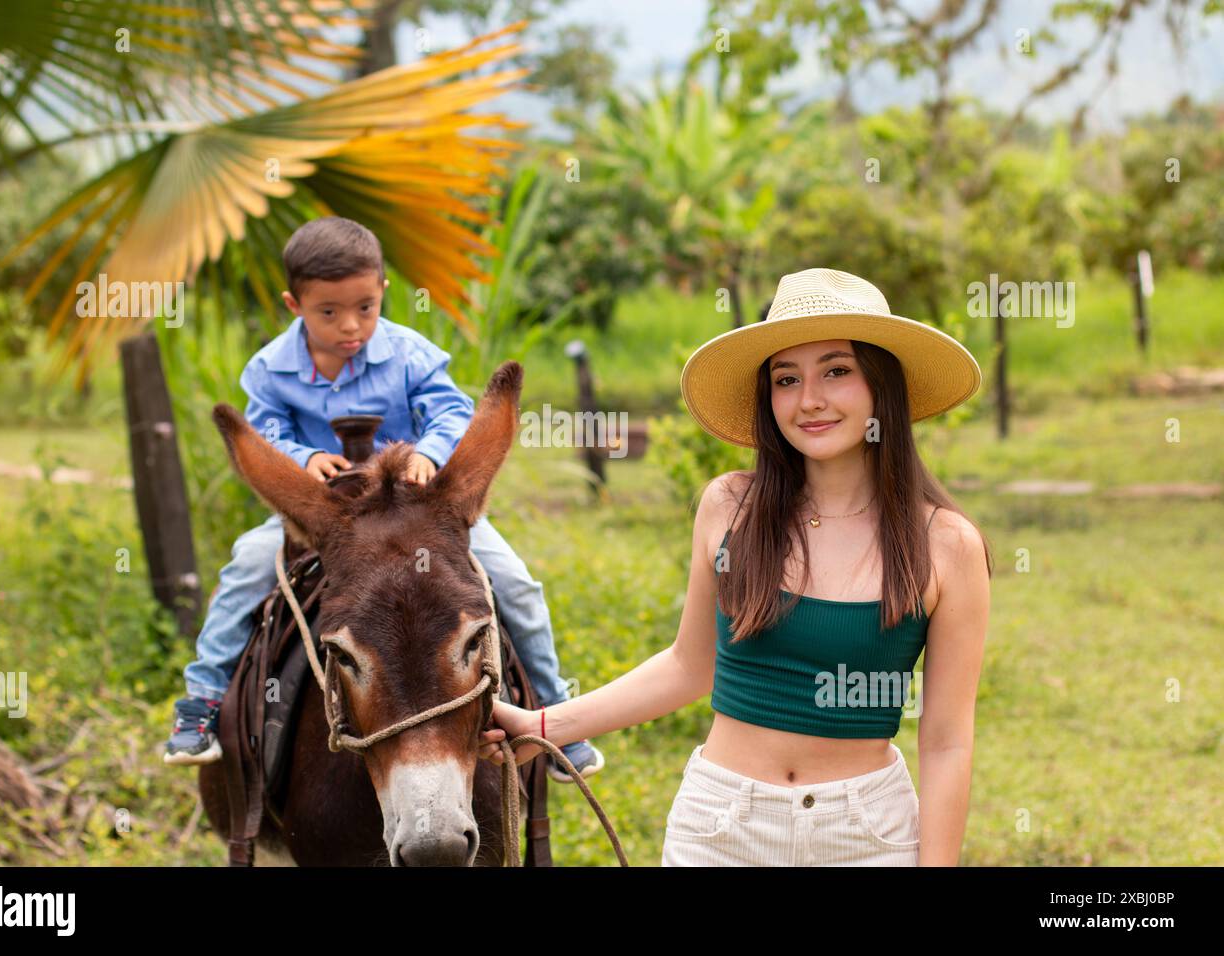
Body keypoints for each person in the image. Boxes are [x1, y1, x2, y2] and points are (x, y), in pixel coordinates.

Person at [480, 267, 992, 864]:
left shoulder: (946, 545)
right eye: (786, 378)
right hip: (722, 828)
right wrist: (544, 727)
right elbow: (689, 666)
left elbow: (948, 741)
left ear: (882, 384)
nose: (810, 400)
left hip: (867, 835)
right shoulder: (730, 507)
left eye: (837, 370)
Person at [164, 216, 604, 782]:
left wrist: (429, 453)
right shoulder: (270, 367)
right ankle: (200, 702)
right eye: (329, 312)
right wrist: (303, 459)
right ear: (294, 303)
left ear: (382, 294)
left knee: (515, 582)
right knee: (246, 567)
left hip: (420, 509)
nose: (350, 326)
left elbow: (448, 410)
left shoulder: (408, 353)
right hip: (330, 515)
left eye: (365, 308)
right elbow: (263, 426)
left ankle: (554, 711)